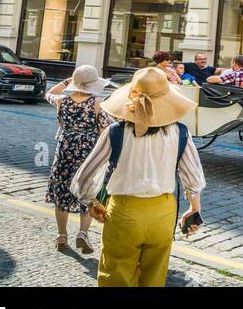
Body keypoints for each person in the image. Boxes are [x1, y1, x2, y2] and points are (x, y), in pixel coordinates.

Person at [71, 65, 203, 288]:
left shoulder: (115, 132)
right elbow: (193, 177)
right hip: (163, 212)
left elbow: (85, 177)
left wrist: (91, 202)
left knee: (116, 274)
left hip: (124, 211)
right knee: (154, 277)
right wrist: (194, 208)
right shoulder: (180, 133)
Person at [45, 65, 113, 254]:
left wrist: (67, 82)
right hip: (87, 152)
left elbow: (48, 94)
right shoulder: (98, 102)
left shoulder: (62, 100)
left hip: (65, 150)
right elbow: (105, 131)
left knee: (62, 191)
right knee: (88, 192)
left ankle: (61, 235)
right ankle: (83, 233)